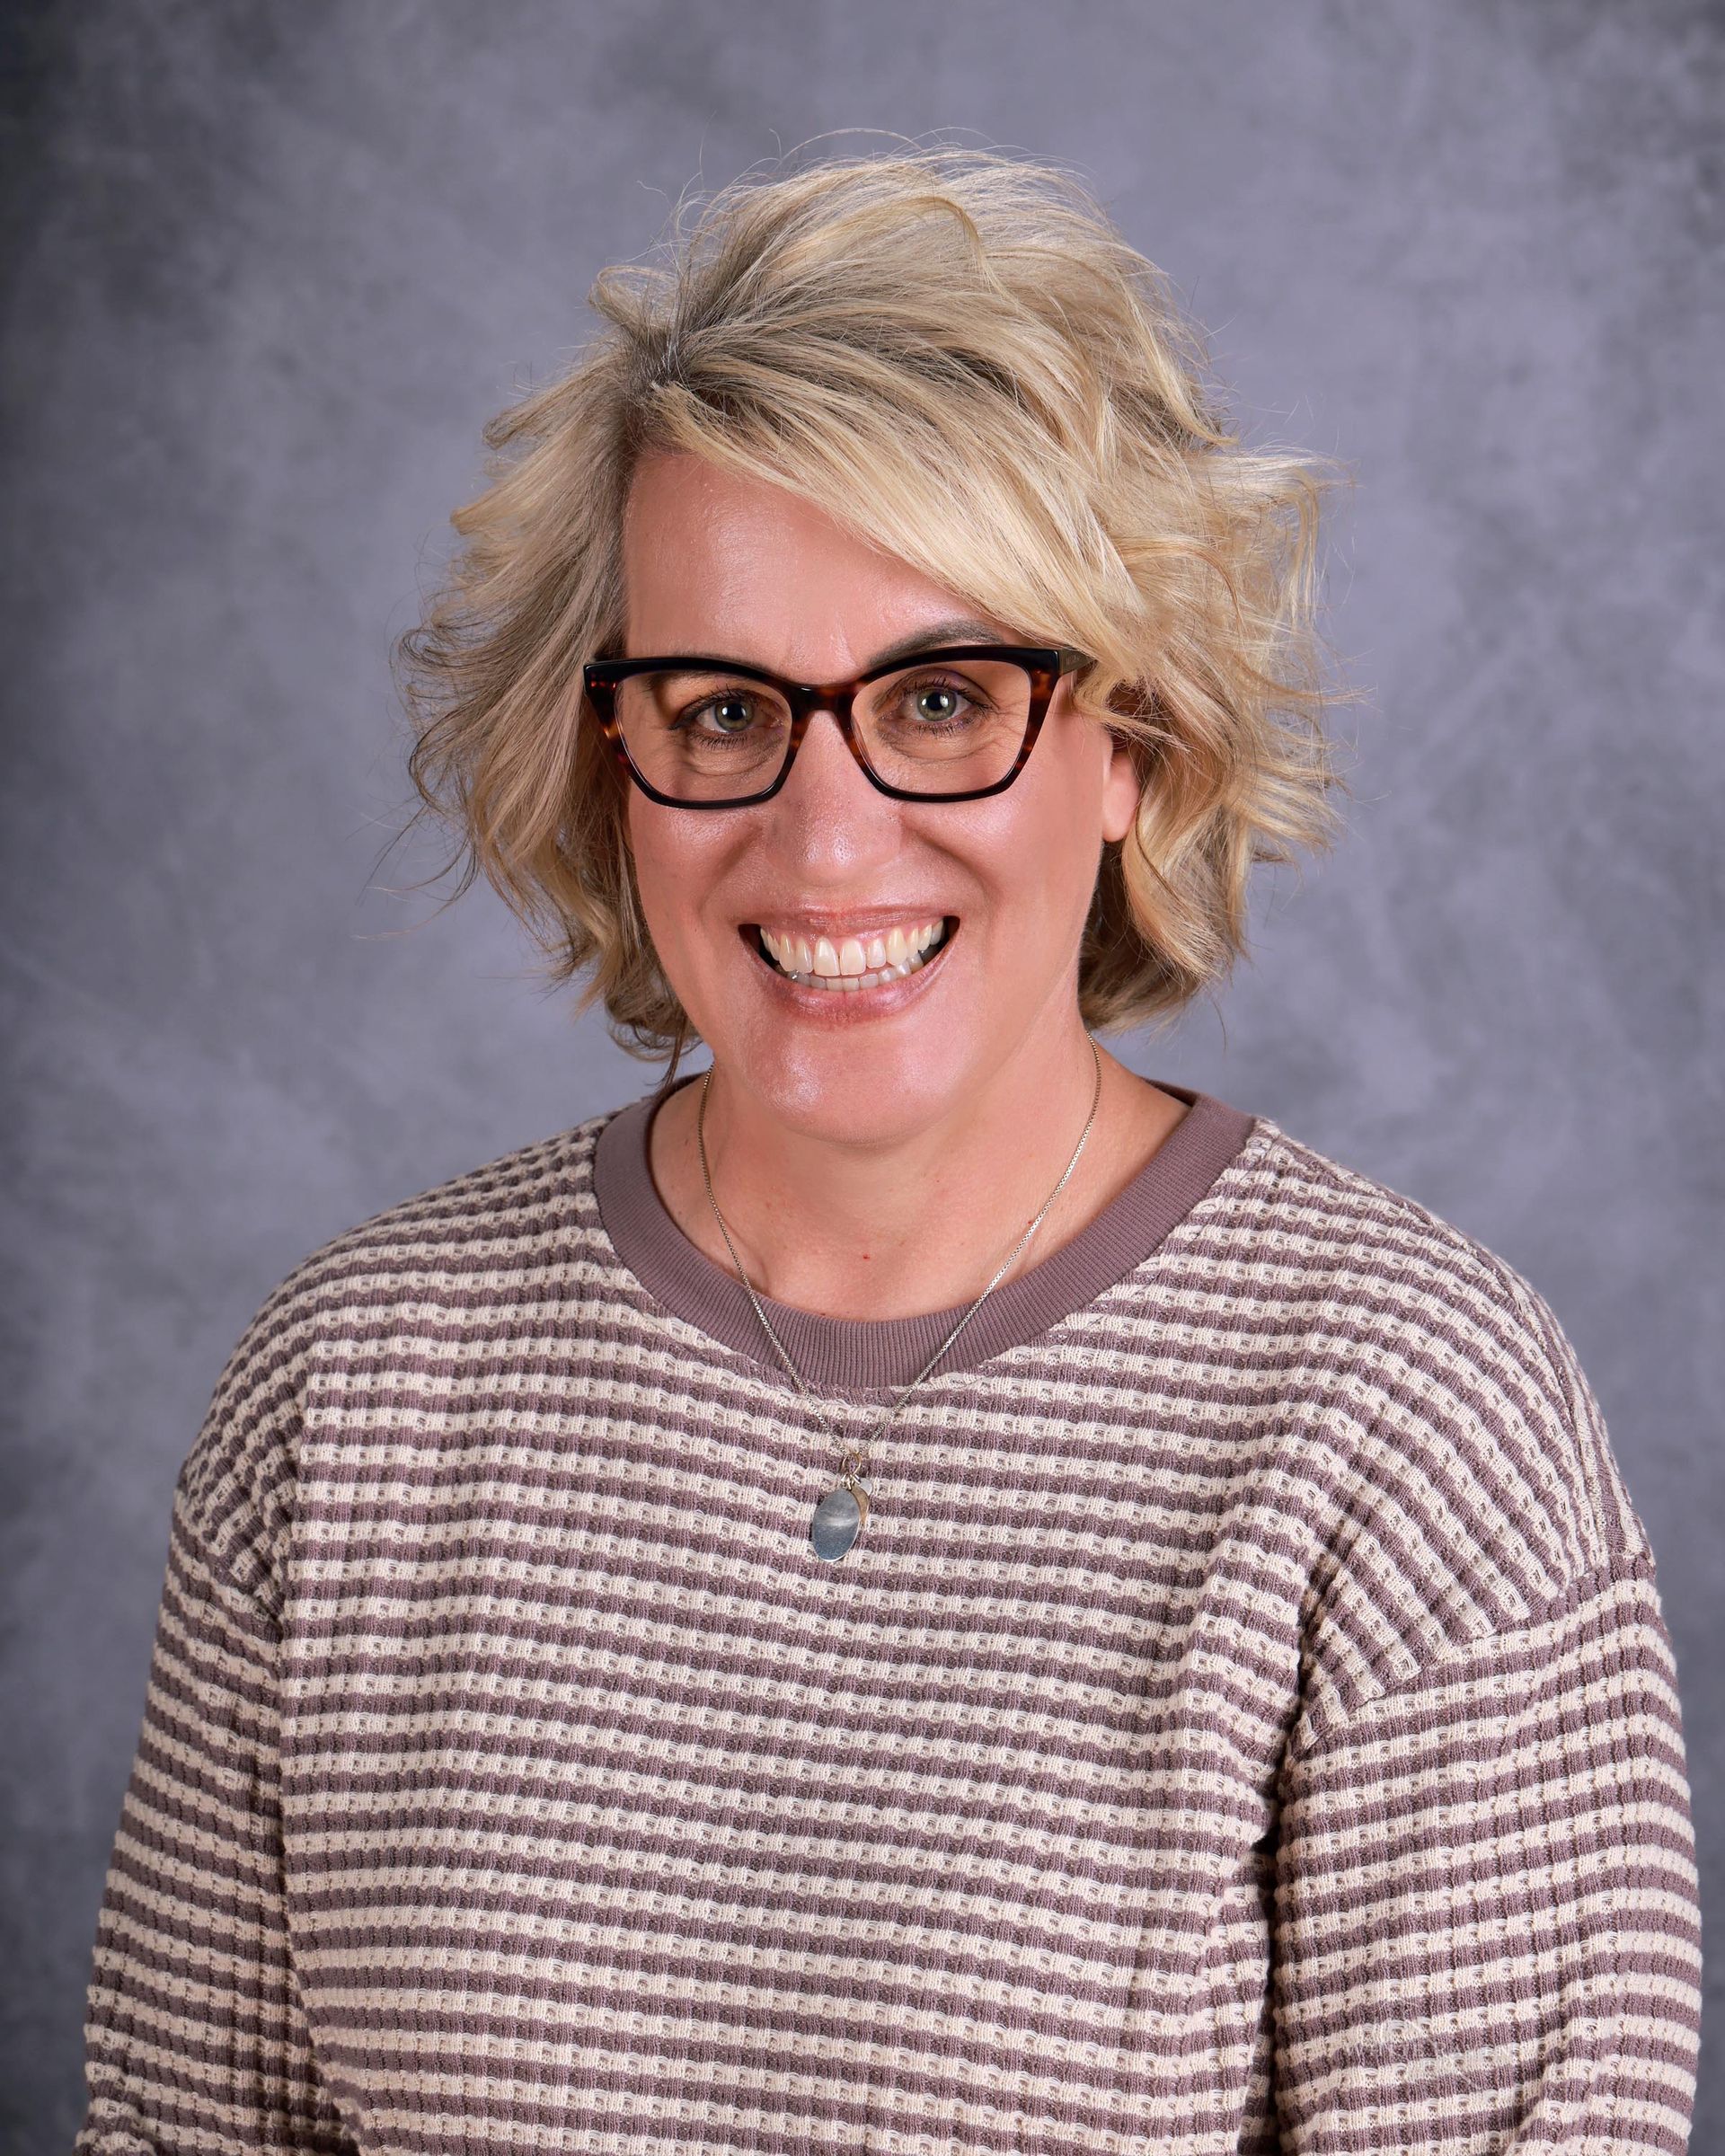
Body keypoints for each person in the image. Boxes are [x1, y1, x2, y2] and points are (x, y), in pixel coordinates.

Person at [76, 146, 1700, 2154]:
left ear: (1137, 747)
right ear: (613, 759)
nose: (829, 838)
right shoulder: (353, 1394)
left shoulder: (1404, 1424)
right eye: (724, 706)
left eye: (942, 700)